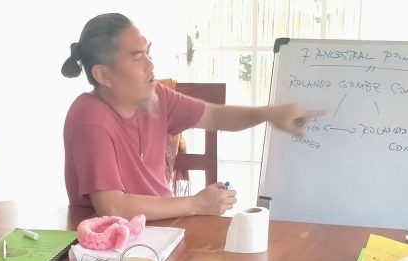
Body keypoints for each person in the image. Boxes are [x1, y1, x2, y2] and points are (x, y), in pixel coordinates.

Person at [61, 13, 323, 220]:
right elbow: (112, 207)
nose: (151, 64)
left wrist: (269, 113)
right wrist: (197, 204)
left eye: (149, 52)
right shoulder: (89, 116)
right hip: (108, 251)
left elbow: (215, 115)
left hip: (160, 232)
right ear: (103, 75)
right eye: (138, 57)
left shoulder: (156, 97)